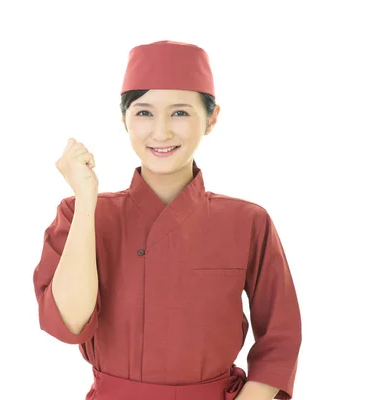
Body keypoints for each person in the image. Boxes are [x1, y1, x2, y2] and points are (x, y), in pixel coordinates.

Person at [32, 40, 302, 400]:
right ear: (123, 119)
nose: (161, 132)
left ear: (212, 119)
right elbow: (70, 324)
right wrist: (86, 200)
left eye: (180, 113)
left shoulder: (248, 221)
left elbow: (280, 338)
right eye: (144, 113)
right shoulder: (81, 213)